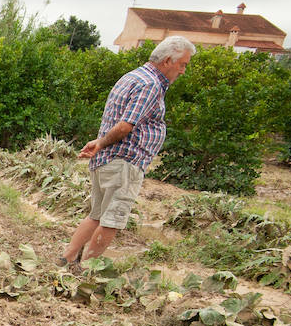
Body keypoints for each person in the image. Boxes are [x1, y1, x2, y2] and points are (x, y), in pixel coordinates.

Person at [59, 35, 196, 270]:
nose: (183, 71)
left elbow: (116, 118)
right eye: (182, 64)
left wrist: (100, 143)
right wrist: (101, 143)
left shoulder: (132, 76)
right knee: (111, 220)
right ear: (167, 61)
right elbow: (125, 125)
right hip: (124, 162)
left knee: (96, 215)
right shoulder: (150, 84)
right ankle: (86, 271)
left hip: (107, 160)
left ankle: (67, 259)